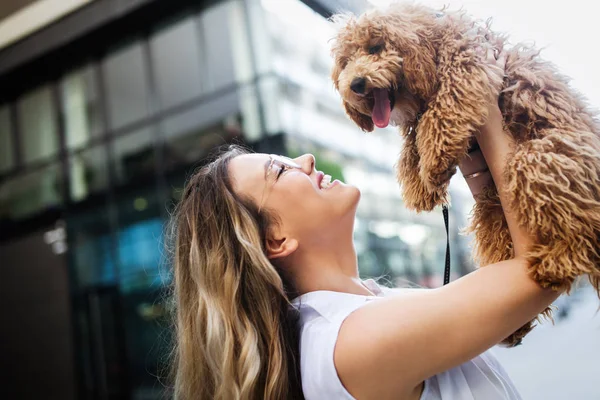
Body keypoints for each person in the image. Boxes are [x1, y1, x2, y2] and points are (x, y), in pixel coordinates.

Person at [168, 49, 561, 400]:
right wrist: (475, 88)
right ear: (275, 239)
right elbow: (541, 271)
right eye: (280, 169)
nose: (304, 159)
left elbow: (510, 289)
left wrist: (481, 177)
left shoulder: (362, 314)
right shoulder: (350, 342)